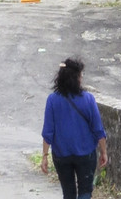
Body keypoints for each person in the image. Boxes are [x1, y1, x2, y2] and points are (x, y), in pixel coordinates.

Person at [40, 58, 109, 199]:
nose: (82, 78)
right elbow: (98, 129)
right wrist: (103, 152)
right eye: (81, 75)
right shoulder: (88, 99)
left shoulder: (52, 100)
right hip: (85, 153)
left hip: (61, 154)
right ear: (76, 78)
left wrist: (45, 156)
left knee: (68, 193)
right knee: (85, 191)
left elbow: (48, 132)